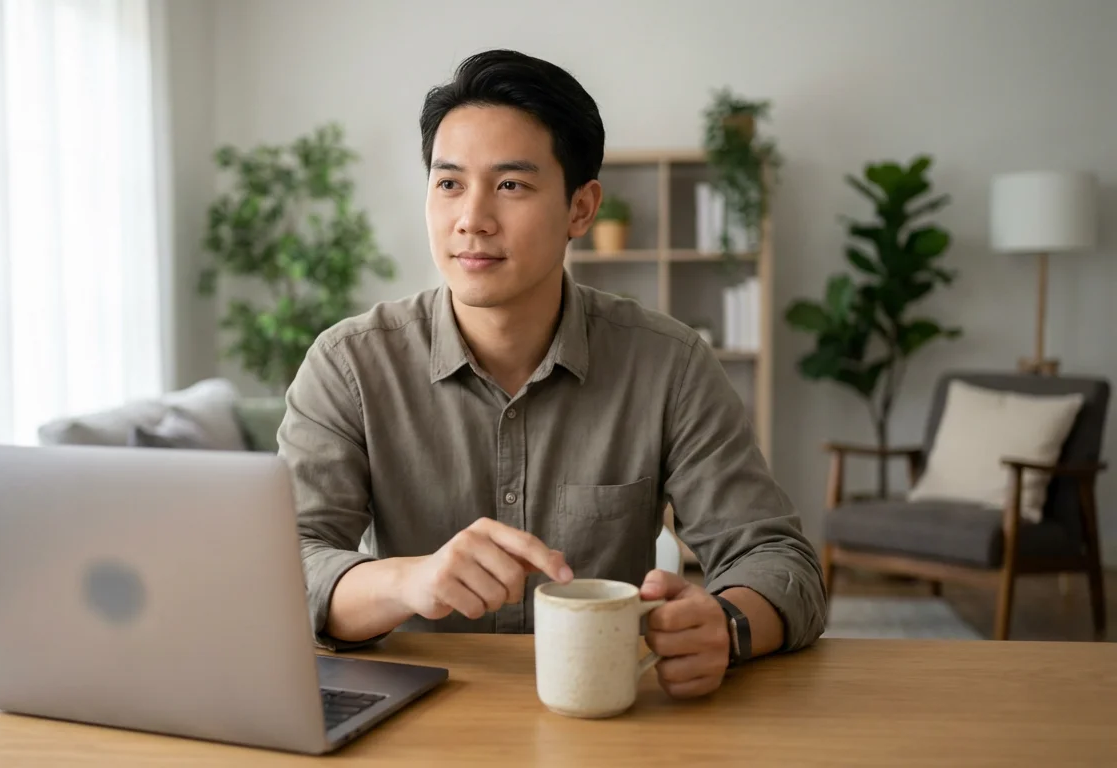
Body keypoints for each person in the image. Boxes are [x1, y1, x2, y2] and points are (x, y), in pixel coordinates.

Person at [277, 49, 826, 700]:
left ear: (581, 209)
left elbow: (777, 556)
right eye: (449, 182)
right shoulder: (349, 365)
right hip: (413, 720)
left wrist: (727, 624)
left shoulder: (668, 364)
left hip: (602, 719)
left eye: (510, 185)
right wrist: (408, 581)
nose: (471, 219)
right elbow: (288, 566)